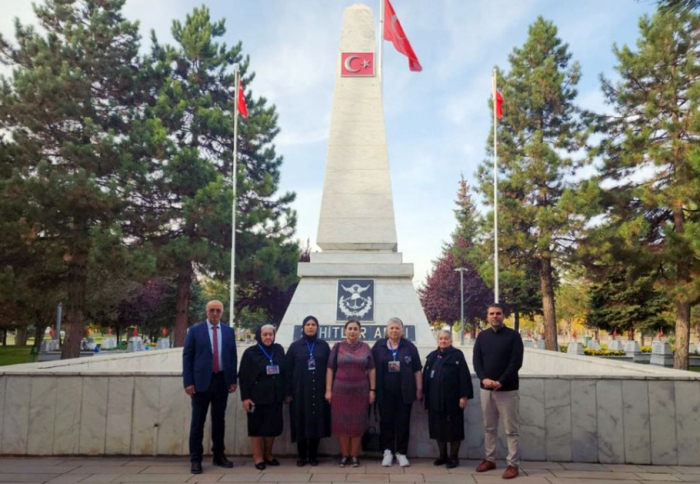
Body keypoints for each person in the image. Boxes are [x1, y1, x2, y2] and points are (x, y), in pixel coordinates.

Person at [182, 300, 238, 474]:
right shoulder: (195, 331)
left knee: (219, 420)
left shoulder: (229, 332)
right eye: (212, 310)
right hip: (200, 383)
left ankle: (218, 455)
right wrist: (188, 382)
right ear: (206, 312)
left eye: (218, 311)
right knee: (198, 422)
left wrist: (232, 379)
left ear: (222, 313)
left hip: (221, 381)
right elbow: (187, 357)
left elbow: (232, 356)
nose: (215, 313)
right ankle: (196, 459)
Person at [473, 303, 524, 480]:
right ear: (487, 317)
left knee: (511, 429)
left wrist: (500, 381)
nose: (495, 316)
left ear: (503, 315)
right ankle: (490, 459)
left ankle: (513, 464)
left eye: (498, 313)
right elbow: (477, 361)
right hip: (486, 390)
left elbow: (516, 362)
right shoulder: (482, 337)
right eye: (492, 314)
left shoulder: (513, 336)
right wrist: (484, 379)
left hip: (507, 390)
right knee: (489, 427)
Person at [370, 317, 422, 467]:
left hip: (404, 394)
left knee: (403, 423)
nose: (394, 330)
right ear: (386, 330)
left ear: (402, 330)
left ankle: (401, 453)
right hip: (384, 393)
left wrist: (419, 388)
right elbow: (371, 368)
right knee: (386, 422)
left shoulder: (409, 347)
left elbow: (417, 370)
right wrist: (371, 389)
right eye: (391, 328)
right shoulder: (379, 346)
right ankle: (387, 452)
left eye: (397, 328)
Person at [325, 319, 376, 468]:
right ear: (345, 331)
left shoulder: (366, 348)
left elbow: (372, 369)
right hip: (340, 391)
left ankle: (354, 455)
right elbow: (330, 369)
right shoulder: (337, 347)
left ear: (360, 331)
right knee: (341, 424)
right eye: (350, 328)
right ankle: (344, 455)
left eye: (355, 329)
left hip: (360, 391)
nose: (352, 331)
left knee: (358, 424)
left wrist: (372, 390)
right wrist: (328, 390)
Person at [423, 329, 473, 469]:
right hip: (435, 400)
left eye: (446, 339)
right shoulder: (432, 356)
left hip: (452, 400)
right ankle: (442, 456)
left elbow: (464, 376)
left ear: (451, 340)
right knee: (438, 429)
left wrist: (463, 396)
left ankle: (453, 457)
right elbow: (425, 376)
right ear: (437, 341)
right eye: (440, 339)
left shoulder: (457, 355)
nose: (443, 341)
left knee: (454, 429)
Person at [284, 315, 331, 467]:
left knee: (317, 423)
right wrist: (288, 392)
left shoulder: (323, 346)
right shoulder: (295, 346)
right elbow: (287, 370)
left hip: (319, 391)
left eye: (313, 324)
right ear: (303, 328)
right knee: (300, 422)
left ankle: (312, 455)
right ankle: (302, 456)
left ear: (317, 328)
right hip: (299, 392)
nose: (310, 327)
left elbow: (330, 369)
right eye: (308, 324)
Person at [239, 324, 286, 470]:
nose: (268, 337)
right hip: (257, 397)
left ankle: (268, 454)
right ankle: (258, 457)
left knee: (273, 427)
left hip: (275, 396)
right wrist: (245, 397)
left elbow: (284, 371)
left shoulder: (278, 349)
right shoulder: (250, 352)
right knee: (257, 427)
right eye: (265, 334)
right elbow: (244, 377)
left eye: (270, 334)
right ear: (259, 335)